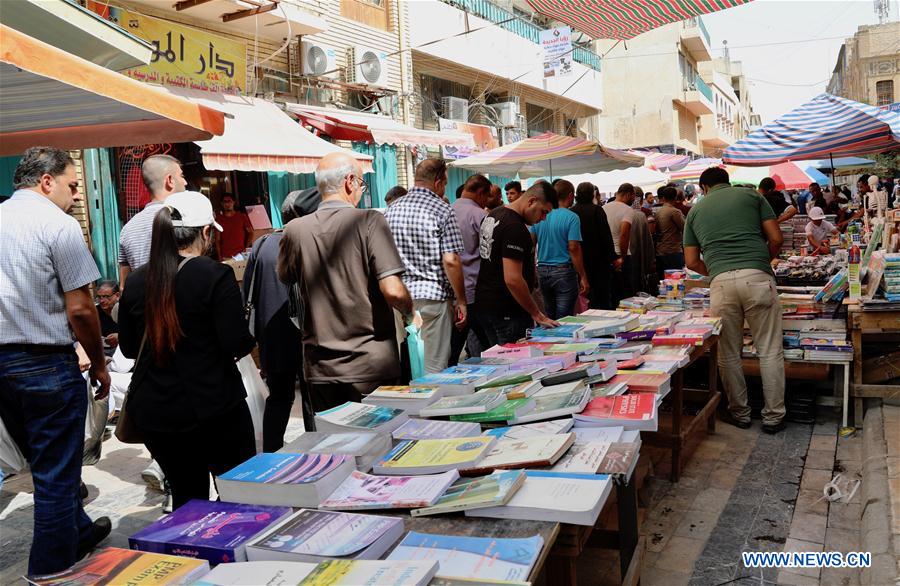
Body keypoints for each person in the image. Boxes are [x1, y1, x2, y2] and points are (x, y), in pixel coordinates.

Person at [0, 147, 112, 574]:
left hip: (4, 366)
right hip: (44, 364)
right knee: (55, 477)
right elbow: (81, 308)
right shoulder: (58, 224)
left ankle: (78, 531)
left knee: (48, 462)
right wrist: (99, 363)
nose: (76, 195)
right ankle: (48, 571)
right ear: (47, 181)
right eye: (72, 185)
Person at [118, 191, 256, 511]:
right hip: (215, 408)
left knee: (187, 499)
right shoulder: (215, 275)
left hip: (158, 413)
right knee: (238, 495)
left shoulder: (136, 281)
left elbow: (128, 347)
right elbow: (236, 343)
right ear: (206, 232)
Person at [278, 153, 414, 410]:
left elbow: (285, 276)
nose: (361, 191)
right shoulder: (370, 221)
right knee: (381, 433)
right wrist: (410, 313)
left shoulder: (295, 230)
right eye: (362, 184)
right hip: (370, 363)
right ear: (350, 181)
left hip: (321, 366)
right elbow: (394, 291)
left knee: (333, 435)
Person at [684, 167, 786, 433]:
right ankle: (774, 416)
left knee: (728, 353)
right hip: (758, 277)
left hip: (721, 284)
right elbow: (776, 238)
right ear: (727, 182)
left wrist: (716, 270)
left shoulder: (695, 211)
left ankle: (740, 413)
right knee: (769, 350)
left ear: (704, 188)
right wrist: (762, 260)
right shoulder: (751, 196)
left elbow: (691, 261)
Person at [243, 193, 316, 448]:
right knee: (312, 398)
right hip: (308, 331)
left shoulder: (262, 244)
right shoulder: (308, 240)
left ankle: (272, 451)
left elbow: (248, 292)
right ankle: (317, 448)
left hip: (272, 334)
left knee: (279, 397)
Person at [385, 159, 467, 373]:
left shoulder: (392, 210)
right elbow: (451, 260)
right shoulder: (443, 210)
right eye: (445, 183)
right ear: (438, 182)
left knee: (409, 363)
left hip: (399, 297)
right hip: (433, 297)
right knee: (434, 366)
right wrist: (461, 300)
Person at [475, 181, 557, 345]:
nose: (543, 218)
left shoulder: (494, 214)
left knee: (497, 358)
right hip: (508, 311)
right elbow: (513, 279)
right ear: (531, 201)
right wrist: (537, 313)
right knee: (512, 359)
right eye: (543, 212)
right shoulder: (514, 227)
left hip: (487, 305)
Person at [118, 154, 186, 286]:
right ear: (170, 180)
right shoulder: (184, 219)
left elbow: (123, 286)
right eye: (181, 176)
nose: (185, 182)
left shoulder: (127, 229)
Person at [449, 175, 492, 365]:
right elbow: (488, 254)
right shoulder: (479, 215)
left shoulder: (446, 212)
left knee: (453, 346)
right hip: (475, 289)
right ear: (480, 193)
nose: (486, 202)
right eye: (487, 196)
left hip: (452, 289)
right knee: (488, 342)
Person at [530, 180, 589, 319]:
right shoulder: (572, 217)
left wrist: (532, 270)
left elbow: (531, 245)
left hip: (542, 270)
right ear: (570, 195)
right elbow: (573, 248)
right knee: (564, 318)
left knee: (549, 316)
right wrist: (583, 276)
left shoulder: (541, 214)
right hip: (564, 271)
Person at [571, 182, 616, 310]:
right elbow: (606, 235)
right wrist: (613, 257)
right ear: (593, 194)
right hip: (599, 259)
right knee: (602, 295)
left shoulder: (571, 211)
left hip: (580, 259)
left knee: (584, 295)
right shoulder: (597, 210)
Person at [604, 183, 636, 305]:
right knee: (625, 295)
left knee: (612, 292)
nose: (634, 200)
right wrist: (622, 257)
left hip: (608, 255)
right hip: (621, 254)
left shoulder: (603, 208)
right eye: (633, 197)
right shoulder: (627, 210)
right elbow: (624, 234)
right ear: (628, 195)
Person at [655, 186, 686, 277]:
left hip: (660, 250)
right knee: (676, 278)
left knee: (663, 279)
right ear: (675, 198)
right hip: (673, 250)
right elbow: (684, 227)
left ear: (663, 198)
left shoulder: (658, 212)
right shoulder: (674, 212)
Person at [216, 194, 253, 259]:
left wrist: (246, 248)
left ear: (234, 202)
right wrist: (219, 257)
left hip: (240, 255)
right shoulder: (219, 219)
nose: (227, 204)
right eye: (225, 201)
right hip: (225, 255)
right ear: (222, 203)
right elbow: (217, 240)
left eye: (229, 201)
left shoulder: (242, 216)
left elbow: (251, 233)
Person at [95, 280, 120, 356]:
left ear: (117, 295)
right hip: (101, 350)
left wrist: (121, 336)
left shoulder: (125, 310)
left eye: (106, 296)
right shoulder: (94, 312)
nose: (102, 301)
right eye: (99, 297)